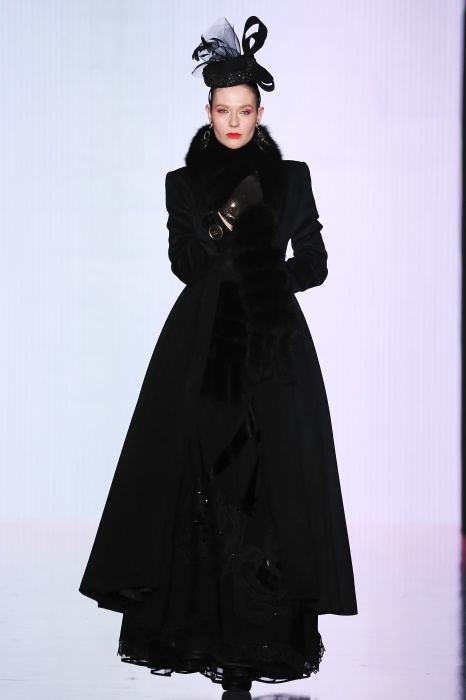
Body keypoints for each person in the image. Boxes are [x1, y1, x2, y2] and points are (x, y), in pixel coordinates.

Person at [79, 16, 357, 696]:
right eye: (223, 110)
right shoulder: (183, 184)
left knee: (270, 487)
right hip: (203, 347)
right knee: (203, 483)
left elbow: (315, 262)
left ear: (260, 114)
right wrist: (233, 213)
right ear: (208, 112)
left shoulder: (292, 178)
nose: (234, 122)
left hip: (273, 347)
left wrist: (271, 281)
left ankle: (249, 653)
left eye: (245, 111)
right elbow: (187, 264)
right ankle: (212, 636)